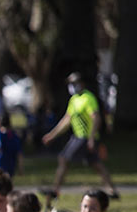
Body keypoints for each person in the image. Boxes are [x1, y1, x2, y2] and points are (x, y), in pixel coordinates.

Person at [40, 72, 119, 200]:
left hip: (85, 137)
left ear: (81, 84)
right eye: (71, 84)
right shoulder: (74, 100)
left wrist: (92, 138)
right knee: (96, 164)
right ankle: (112, 190)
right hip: (79, 137)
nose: (72, 86)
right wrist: (51, 135)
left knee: (63, 159)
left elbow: (96, 118)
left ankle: (55, 190)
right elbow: (67, 120)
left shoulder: (88, 98)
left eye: (74, 83)